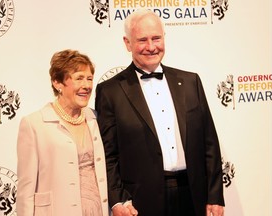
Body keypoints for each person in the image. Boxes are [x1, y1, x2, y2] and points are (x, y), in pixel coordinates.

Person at [95, 9, 225, 216]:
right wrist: (118, 200)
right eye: (142, 40)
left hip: (194, 195)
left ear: (164, 38)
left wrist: (215, 196)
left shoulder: (191, 82)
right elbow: (108, 155)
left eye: (156, 38)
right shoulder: (110, 92)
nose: (151, 47)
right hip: (140, 202)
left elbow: (209, 144)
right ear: (127, 43)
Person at [16, 49, 109, 216]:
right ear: (57, 83)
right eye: (79, 78)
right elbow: (26, 189)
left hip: (97, 210)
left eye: (89, 79)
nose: (87, 86)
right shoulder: (34, 124)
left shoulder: (95, 118)